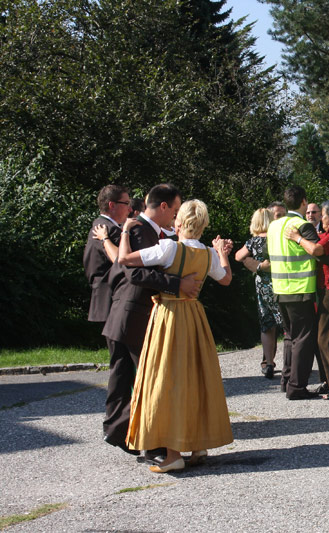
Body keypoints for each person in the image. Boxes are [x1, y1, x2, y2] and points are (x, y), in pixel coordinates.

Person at [116, 199, 233, 473]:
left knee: (167, 381)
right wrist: (221, 252)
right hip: (194, 317)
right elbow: (226, 279)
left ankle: (172, 454)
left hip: (169, 316)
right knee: (196, 377)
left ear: (179, 222)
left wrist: (125, 231)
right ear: (203, 225)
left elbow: (124, 259)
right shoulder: (208, 253)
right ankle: (198, 445)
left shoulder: (169, 248)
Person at [98, 184, 201, 458]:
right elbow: (134, 274)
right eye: (175, 210)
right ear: (163, 206)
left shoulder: (144, 230)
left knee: (123, 377)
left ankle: (120, 432)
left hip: (125, 314)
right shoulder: (139, 230)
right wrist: (177, 284)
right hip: (134, 314)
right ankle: (153, 444)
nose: (176, 217)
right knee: (150, 380)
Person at [286, 199, 329, 399]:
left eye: (323, 215)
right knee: (324, 338)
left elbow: (315, 249)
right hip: (328, 289)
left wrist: (298, 238)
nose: (321, 219)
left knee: (328, 340)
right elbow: (318, 246)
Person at [268, 185, 322, 400]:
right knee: (303, 339)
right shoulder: (302, 225)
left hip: (280, 288)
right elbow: (319, 251)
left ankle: (287, 381)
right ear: (304, 202)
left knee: (290, 337)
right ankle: (297, 387)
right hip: (301, 289)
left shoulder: (273, 226)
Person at [235, 208, 283, 379]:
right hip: (280, 283)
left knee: (266, 324)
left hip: (262, 285)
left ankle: (269, 364)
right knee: (286, 323)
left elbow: (238, 256)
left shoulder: (253, 242)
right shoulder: (277, 238)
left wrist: (256, 264)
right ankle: (291, 364)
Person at [84, 185, 131, 323]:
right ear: (112, 205)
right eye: (126, 203)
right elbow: (121, 259)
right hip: (109, 298)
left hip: (104, 297)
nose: (130, 209)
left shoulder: (102, 225)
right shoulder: (107, 229)